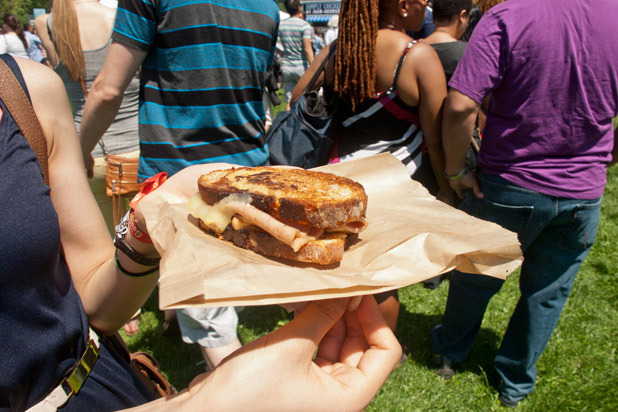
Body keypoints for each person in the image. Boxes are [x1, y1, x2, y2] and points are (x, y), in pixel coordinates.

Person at [0, 54, 402, 412]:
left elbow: (95, 303)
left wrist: (145, 226)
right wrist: (206, 404)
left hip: (110, 380)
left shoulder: (28, 91)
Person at [431, 0, 618, 407]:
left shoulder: (509, 15)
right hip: (581, 192)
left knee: (477, 276)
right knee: (548, 291)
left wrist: (453, 171)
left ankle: (451, 351)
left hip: (507, 184)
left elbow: (461, 104)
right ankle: (514, 380)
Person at [77, 0, 278, 370]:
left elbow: (108, 88)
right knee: (217, 294)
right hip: (252, 170)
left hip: (187, 183)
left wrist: (77, 152)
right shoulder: (267, 5)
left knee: (213, 325)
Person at [291, 0, 453, 333]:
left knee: (337, 266)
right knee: (381, 281)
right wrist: (448, 189)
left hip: (334, 181)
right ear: (403, 6)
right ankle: (374, 352)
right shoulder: (417, 56)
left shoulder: (341, 50)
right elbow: (436, 141)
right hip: (392, 185)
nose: (428, 6)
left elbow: (297, 98)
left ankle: (328, 342)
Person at [35, 0, 140, 236]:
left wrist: (82, 151)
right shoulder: (119, 17)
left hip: (85, 156)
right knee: (149, 244)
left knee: (104, 248)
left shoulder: (47, 24)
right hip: (139, 153)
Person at [421, 0, 472, 289]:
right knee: (456, 207)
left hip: (420, 145)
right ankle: (450, 265)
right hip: (457, 146)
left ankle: (430, 270)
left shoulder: (415, 49)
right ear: (462, 15)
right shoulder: (468, 54)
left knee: (429, 206)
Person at [279, 0, 315, 109]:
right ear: (299, 8)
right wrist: (314, 67)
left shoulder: (281, 25)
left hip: (286, 66)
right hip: (302, 66)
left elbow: (275, 45)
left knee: (289, 101)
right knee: (305, 97)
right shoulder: (304, 25)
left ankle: (288, 123)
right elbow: (307, 48)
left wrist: (282, 53)